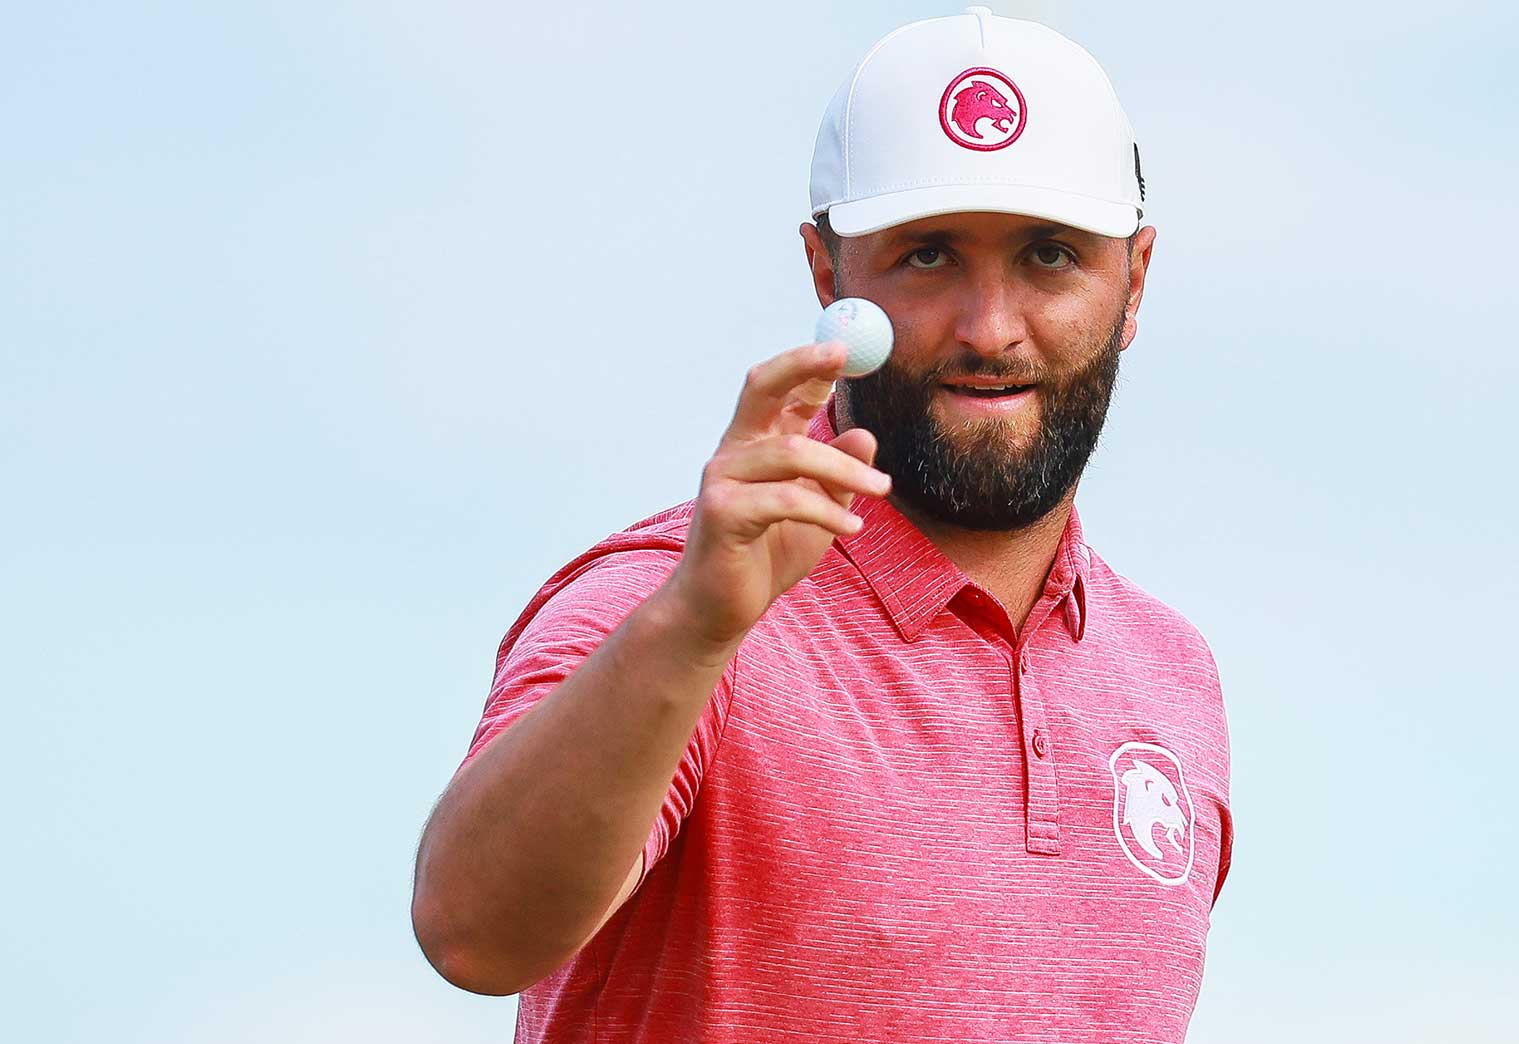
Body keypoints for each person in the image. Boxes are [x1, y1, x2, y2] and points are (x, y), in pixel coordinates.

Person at [412, 7, 1232, 1042]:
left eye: (1048, 257)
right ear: (825, 272)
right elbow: (472, 934)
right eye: (928, 257)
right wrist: (696, 625)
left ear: (1134, 280)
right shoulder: (668, 599)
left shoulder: (1168, 673)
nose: (989, 327)